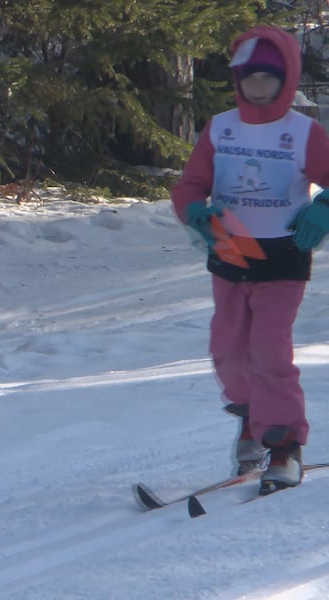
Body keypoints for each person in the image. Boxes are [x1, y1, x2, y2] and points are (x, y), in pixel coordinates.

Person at [171, 24, 329, 494]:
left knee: (268, 350)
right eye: (250, 76)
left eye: (268, 77)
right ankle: (250, 418)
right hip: (230, 253)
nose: (259, 86)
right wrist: (196, 211)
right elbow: (189, 187)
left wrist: (322, 207)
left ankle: (282, 443)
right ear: (237, 78)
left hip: (282, 257)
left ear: (287, 78)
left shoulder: (304, 132)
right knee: (228, 349)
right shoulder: (221, 127)